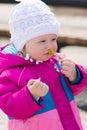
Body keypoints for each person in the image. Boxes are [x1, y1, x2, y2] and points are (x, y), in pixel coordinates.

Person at [0, 0, 87, 130]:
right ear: (22, 45)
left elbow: (74, 90)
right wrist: (30, 95)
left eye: (53, 39)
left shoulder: (57, 62)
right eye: (42, 41)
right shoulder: (11, 73)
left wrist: (75, 75)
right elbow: (10, 107)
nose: (50, 46)